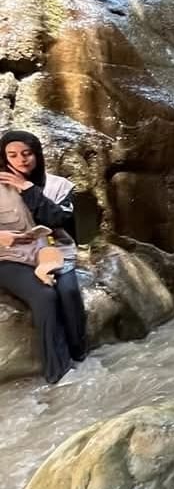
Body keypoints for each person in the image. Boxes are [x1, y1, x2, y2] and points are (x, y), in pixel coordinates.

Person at [0, 129, 87, 384]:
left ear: (37, 154)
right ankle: (58, 372)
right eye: (13, 155)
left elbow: (58, 220)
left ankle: (80, 354)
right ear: (4, 157)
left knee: (68, 291)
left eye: (27, 153)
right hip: (9, 256)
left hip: (54, 252)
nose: (21, 160)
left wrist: (28, 189)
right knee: (44, 295)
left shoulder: (59, 185)